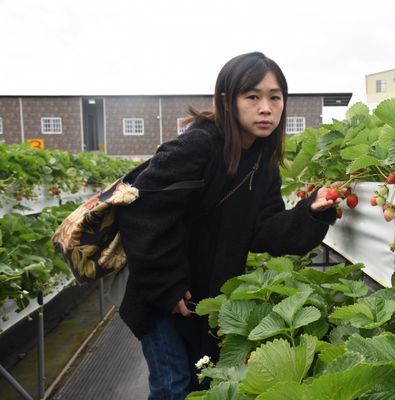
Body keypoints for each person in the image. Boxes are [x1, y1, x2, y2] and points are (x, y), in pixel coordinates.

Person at [116, 51, 340, 399]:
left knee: (200, 383)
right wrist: (168, 286)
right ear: (227, 101)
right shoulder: (198, 145)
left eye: (275, 97)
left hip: (206, 300)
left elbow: (265, 231)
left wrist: (310, 211)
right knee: (173, 385)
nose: (266, 108)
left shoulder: (263, 164)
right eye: (252, 96)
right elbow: (140, 209)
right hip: (161, 296)